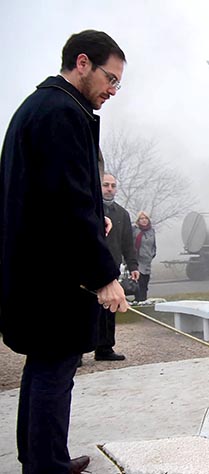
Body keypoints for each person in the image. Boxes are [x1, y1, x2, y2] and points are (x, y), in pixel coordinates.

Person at [0, 29, 128, 474]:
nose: (112, 90)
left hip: (36, 267)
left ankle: (41, 457)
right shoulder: (61, 113)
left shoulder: (41, 107)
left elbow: (53, 196)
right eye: (110, 79)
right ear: (82, 63)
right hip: (52, 277)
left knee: (44, 366)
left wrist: (97, 217)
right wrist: (104, 275)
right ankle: (46, 466)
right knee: (55, 369)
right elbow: (66, 203)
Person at [97, 172, 139, 360]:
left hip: (112, 268)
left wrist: (133, 266)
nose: (109, 189)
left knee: (109, 311)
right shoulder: (90, 209)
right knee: (85, 312)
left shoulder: (122, 214)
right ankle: (78, 352)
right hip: (89, 267)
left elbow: (127, 244)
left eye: (113, 186)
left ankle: (105, 348)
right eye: (106, 185)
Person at [132, 211, 157, 303]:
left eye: (145, 218)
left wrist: (152, 254)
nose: (144, 220)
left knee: (145, 283)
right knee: (139, 282)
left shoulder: (151, 231)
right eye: (141, 218)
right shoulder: (134, 230)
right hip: (137, 260)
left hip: (147, 260)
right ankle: (139, 300)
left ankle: (143, 299)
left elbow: (153, 245)